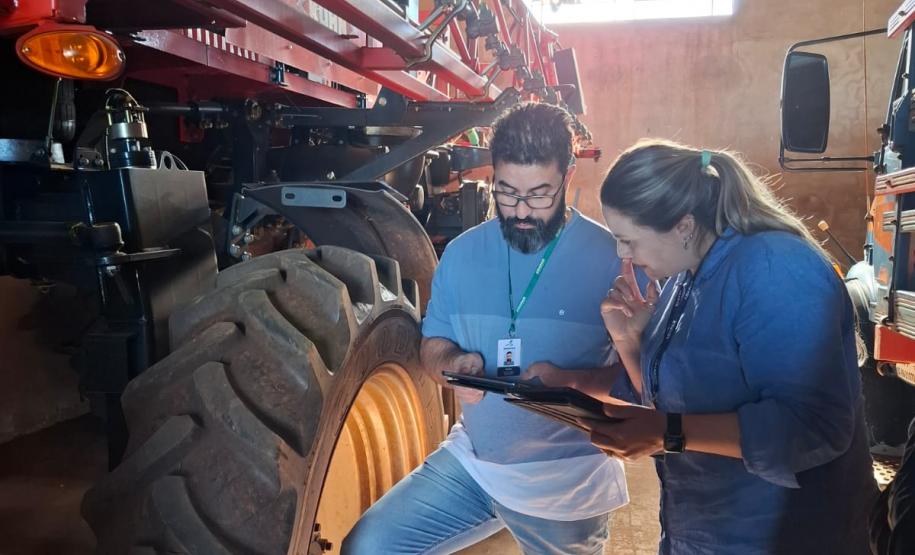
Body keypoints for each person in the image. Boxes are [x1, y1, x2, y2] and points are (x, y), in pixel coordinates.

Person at [341, 102, 633, 554]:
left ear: (569, 176)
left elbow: (650, 381)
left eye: (539, 194)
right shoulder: (461, 254)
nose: (521, 211)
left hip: (565, 482)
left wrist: (571, 381)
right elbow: (433, 345)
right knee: (369, 547)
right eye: (507, 192)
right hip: (473, 465)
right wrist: (452, 363)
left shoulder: (613, 260)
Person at [576, 139, 879, 554]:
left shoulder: (774, 268)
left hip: (781, 536)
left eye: (627, 239)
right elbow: (669, 405)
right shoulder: (683, 278)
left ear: (683, 225)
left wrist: (669, 433)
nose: (621, 254)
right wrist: (629, 342)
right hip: (702, 531)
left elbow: (813, 426)